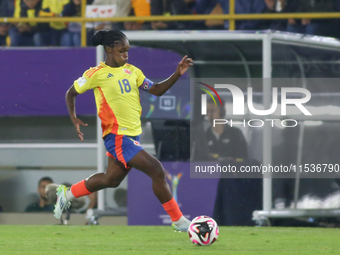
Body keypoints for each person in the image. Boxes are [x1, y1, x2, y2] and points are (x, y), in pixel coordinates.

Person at [53, 29, 193, 232]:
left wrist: (177, 74)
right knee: (157, 170)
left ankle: (66, 195)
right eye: (122, 50)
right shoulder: (96, 74)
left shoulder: (132, 71)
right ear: (109, 50)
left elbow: (156, 90)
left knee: (111, 179)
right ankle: (178, 220)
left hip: (132, 135)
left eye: (127, 50)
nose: (126, 54)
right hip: (117, 136)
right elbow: (71, 93)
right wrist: (73, 117)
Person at [205, 96, 248, 160]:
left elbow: (243, 159)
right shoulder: (204, 136)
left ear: (222, 111)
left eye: (214, 111)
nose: (210, 115)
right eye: (208, 111)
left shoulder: (235, 134)